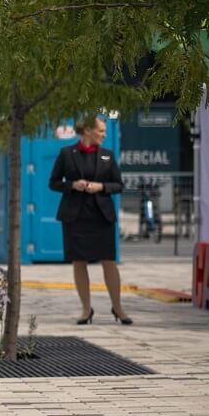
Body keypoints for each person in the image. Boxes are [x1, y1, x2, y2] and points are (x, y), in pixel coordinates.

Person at [48, 115, 129, 324]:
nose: (104, 135)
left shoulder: (107, 156)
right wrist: (72, 185)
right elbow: (54, 182)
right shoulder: (67, 154)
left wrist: (101, 187)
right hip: (76, 216)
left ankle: (118, 308)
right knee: (79, 261)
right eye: (101, 131)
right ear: (87, 131)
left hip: (101, 216)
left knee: (109, 261)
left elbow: (118, 185)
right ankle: (86, 309)